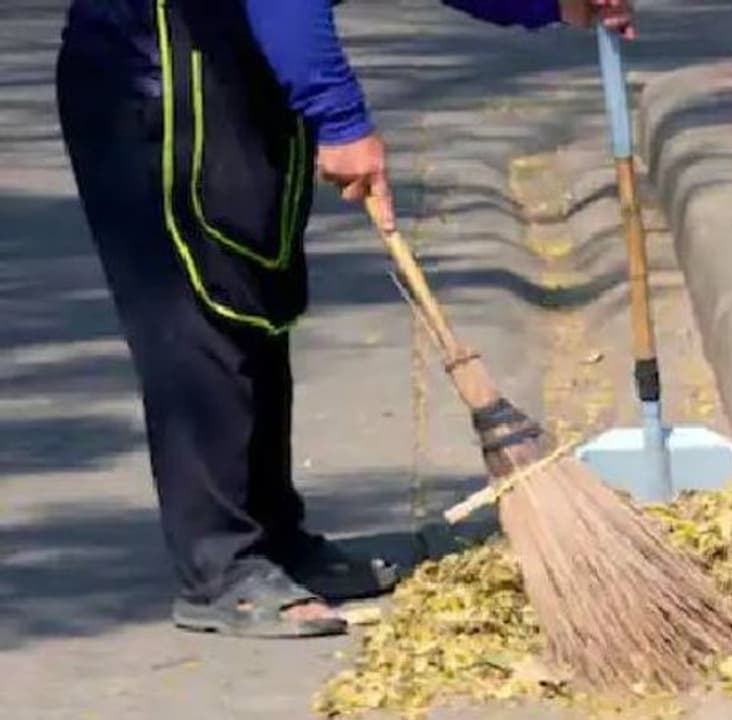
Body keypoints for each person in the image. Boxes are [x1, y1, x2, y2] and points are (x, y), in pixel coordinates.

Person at [55, 0, 634, 638]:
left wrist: (551, 3)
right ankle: (220, 568)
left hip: (235, 79)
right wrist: (341, 118)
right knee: (196, 318)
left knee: (255, 307)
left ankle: (277, 539)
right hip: (156, 84)